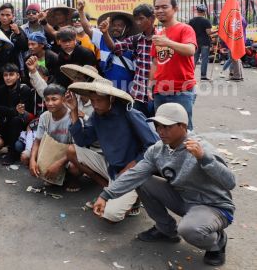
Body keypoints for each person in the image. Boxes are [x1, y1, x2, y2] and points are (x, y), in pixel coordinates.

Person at [92, 103, 235, 266]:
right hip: (184, 199)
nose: (160, 131)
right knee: (143, 180)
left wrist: (204, 158)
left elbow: (230, 182)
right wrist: (106, 195)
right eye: (158, 126)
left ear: (182, 126)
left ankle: (217, 241)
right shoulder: (158, 150)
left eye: (166, 127)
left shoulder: (201, 148)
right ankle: (166, 230)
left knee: (189, 229)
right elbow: (134, 174)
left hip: (213, 206)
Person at [66, 78, 159, 222]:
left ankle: (134, 198)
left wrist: (130, 167)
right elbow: (82, 141)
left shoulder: (130, 114)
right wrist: (74, 111)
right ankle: (109, 190)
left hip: (133, 172)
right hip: (112, 169)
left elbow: (153, 146)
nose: (95, 105)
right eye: (93, 100)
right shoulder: (97, 117)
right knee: (72, 150)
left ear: (111, 98)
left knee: (110, 216)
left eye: (99, 100)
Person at [150, 0, 197, 130]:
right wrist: (150, 86)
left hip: (182, 90)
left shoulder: (185, 29)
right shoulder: (158, 35)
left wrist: (168, 42)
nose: (159, 11)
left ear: (175, 9)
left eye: (164, 7)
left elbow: (190, 50)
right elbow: (155, 62)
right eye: (157, 7)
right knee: (162, 130)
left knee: (183, 131)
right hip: (160, 90)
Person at [104, 4, 157, 117]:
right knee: (139, 129)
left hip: (158, 93)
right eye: (136, 19)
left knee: (159, 130)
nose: (138, 22)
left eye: (141, 18)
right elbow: (114, 47)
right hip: (138, 95)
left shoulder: (163, 38)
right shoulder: (136, 39)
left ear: (152, 18)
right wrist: (105, 33)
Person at [27, 84, 80, 191]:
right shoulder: (44, 116)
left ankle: (72, 179)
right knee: (26, 157)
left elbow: (77, 147)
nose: (50, 103)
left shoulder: (72, 117)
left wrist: (58, 164)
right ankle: (54, 177)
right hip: (52, 151)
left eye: (54, 99)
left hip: (69, 154)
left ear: (64, 99)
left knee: (74, 168)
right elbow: (37, 141)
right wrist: (32, 160)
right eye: (47, 100)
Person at [0, 63, 35, 165]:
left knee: (15, 120)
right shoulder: (1, 89)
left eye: (11, 74)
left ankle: (12, 153)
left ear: (18, 76)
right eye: (5, 75)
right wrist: (1, 109)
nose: (8, 78)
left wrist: (1, 109)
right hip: (5, 122)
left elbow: (18, 112)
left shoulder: (24, 89)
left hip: (23, 123)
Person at [93, 11, 137, 91]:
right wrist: (81, 11)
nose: (115, 28)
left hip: (126, 91)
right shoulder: (103, 40)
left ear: (127, 28)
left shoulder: (133, 46)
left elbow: (113, 47)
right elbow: (87, 29)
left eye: (119, 25)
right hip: (107, 90)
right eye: (113, 25)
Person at [0, 3, 28, 72]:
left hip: (14, 67)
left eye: (8, 15)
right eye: (2, 15)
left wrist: (18, 33)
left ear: (13, 16)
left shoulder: (18, 30)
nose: (4, 18)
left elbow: (25, 47)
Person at [189, 4, 213, 80]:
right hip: (205, 42)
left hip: (195, 42)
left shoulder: (192, 21)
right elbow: (208, 33)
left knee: (194, 59)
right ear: (204, 12)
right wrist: (216, 31)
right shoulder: (206, 21)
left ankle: (190, 75)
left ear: (197, 11)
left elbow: (190, 31)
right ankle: (203, 76)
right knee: (204, 59)